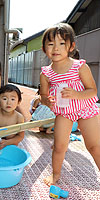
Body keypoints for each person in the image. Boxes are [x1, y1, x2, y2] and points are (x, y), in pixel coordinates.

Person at [39, 23, 100, 186]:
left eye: (61, 43)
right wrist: (47, 100)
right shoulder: (46, 73)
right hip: (64, 111)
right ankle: (55, 174)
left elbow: (93, 91)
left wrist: (76, 94)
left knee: (94, 146)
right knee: (59, 146)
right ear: (44, 48)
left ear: (71, 46)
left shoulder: (79, 66)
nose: (56, 48)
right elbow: (43, 96)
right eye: (51, 44)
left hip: (85, 108)